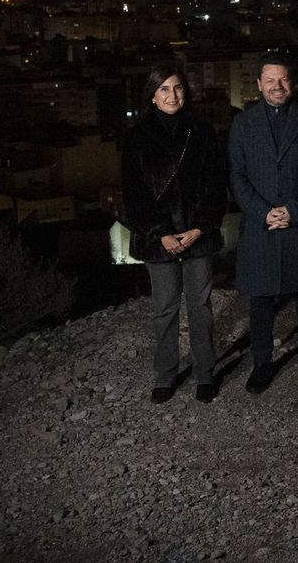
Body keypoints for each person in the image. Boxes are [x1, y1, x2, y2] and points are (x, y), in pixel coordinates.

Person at [119, 64, 228, 403]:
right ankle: (165, 374)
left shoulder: (202, 131)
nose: (172, 95)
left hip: (198, 234)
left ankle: (204, 372)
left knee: (200, 306)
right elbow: (133, 195)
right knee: (164, 308)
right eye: (164, 89)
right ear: (151, 95)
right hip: (159, 240)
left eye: (178, 88)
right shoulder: (136, 137)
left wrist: (200, 227)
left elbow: (216, 185)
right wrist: (160, 233)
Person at [227, 53, 298, 392]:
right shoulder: (243, 124)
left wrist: (294, 209)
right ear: (258, 84)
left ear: (292, 82)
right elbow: (237, 175)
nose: (277, 86)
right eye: (270, 80)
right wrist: (262, 212)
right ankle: (262, 364)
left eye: (283, 79)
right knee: (260, 300)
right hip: (261, 226)